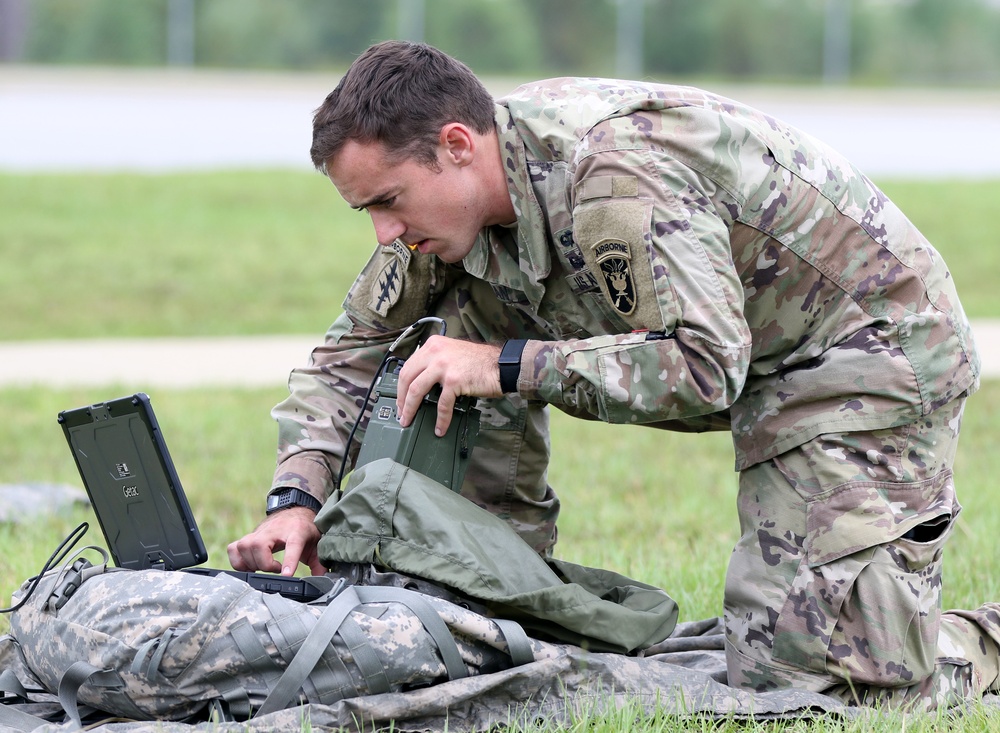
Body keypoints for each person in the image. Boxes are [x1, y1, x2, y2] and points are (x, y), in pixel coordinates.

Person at [228, 40, 1000, 707]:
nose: (383, 232)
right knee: (441, 342)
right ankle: (487, 602)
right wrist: (295, 499)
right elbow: (348, 352)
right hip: (755, 357)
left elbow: (703, 365)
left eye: (389, 201)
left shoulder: (612, 177)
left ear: (458, 144)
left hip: (861, 358)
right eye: (367, 210)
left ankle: (978, 638)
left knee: (820, 686)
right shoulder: (449, 219)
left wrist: (507, 363)